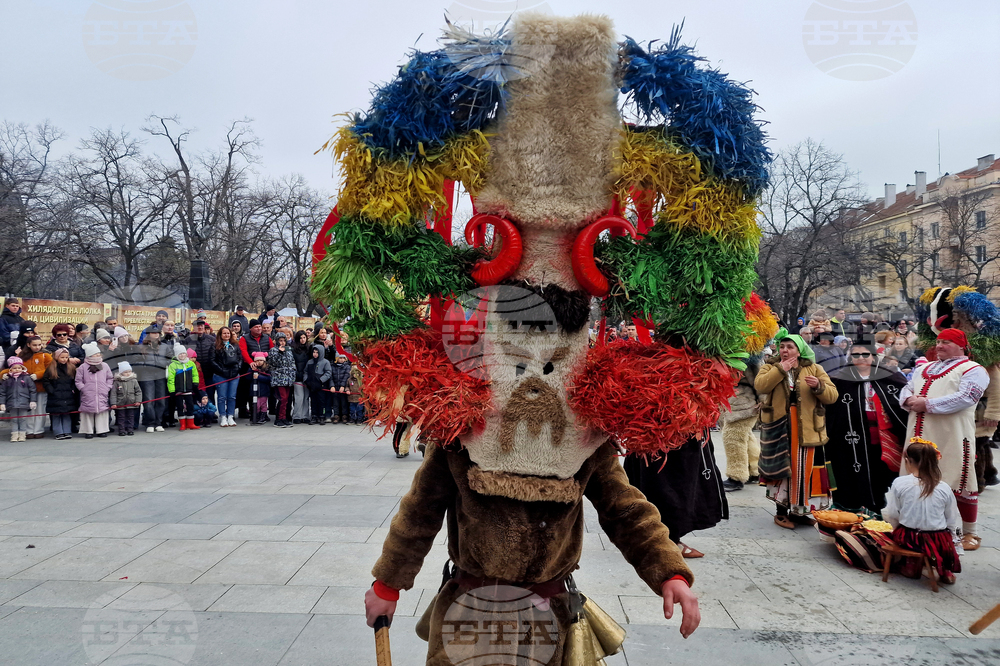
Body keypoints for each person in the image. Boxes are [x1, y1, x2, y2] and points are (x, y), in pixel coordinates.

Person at [899, 328, 988, 551]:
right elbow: (907, 387)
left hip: (952, 434)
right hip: (918, 432)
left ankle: (970, 533)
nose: (939, 346)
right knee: (915, 479)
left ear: (961, 346)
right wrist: (909, 400)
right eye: (939, 341)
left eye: (946, 342)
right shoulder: (925, 367)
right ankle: (915, 527)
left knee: (957, 477)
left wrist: (927, 404)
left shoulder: (974, 369)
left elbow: (967, 397)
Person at [755, 331, 839, 529]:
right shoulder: (770, 366)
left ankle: (800, 511)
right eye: (782, 346)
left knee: (805, 470)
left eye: (790, 347)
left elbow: (832, 395)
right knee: (782, 467)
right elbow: (761, 386)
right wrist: (780, 370)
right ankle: (781, 511)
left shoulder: (814, 368)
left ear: (799, 350)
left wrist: (819, 386)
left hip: (808, 428)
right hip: (780, 426)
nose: (785, 350)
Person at [826, 341, 909, 513]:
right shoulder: (839, 378)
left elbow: (901, 402)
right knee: (851, 471)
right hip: (850, 436)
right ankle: (851, 508)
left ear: (873, 356)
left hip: (881, 436)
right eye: (856, 355)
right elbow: (830, 407)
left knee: (878, 471)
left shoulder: (889, 376)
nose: (861, 358)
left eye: (865, 354)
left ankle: (875, 506)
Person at [624, 432, 729, 558]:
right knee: (664, 469)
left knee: (660, 463)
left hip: (678, 423)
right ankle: (665, 537)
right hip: (667, 424)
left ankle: (652, 532)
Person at [883, 438, 962, 584]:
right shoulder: (944, 487)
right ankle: (944, 569)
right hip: (938, 539)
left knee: (891, 533)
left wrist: (896, 528)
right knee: (943, 539)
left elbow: (893, 514)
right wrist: (952, 538)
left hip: (910, 537)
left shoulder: (900, 483)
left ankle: (911, 566)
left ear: (908, 461)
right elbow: (952, 518)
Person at [721, 362, 761, 492]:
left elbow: (760, 382)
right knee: (745, 436)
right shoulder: (739, 356)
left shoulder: (750, 359)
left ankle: (736, 477)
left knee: (733, 437)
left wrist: (764, 402)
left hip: (745, 404)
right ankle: (754, 470)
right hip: (735, 401)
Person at [76, 342, 113, 439]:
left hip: (102, 392)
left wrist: (107, 387)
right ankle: (88, 430)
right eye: (95, 354)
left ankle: (102, 430)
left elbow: (109, 378)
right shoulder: (83, 367)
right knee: (87, 411)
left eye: (98, 354)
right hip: (88, 393)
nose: (97, 355)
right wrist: (83, 388)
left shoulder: (104, 365)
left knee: (102, 411)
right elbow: (78, 380)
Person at [137, 326, 169, 433]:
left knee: (161, 400)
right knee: (149, 400)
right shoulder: (141, 347)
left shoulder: (164, 346)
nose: (156, 335)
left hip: (160, 374)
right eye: (153, 333)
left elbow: (170, 359)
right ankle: (150, 422)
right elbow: (136, 361)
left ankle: (158, 422)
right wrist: (146, 365)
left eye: (157, 333)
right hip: (147, 375)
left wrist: (163, 365)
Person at [239, 319, 273, 422]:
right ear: (251, 328)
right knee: (250, 390)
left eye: (259, 327)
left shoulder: (267, 338)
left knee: (265, 391)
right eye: (256, 327)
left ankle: (263, 412)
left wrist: (268, 364)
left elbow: (271, 350)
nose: (259, 329)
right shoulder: (244, 338)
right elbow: (243, 351)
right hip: (249, 366)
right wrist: (250, 362)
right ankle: (253, 412)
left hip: (265, 367)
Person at [19, 336, 52, 439]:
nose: (37, 347)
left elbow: (50, 369)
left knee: (40, 409)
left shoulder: (45, 356)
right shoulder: (21, 356)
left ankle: (38, 430)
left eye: (39, 344)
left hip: (40, 386)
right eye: (34, 345)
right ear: (28, 345)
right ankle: (28, 430)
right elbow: (14, 366)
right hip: (25, 387)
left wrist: (38, 375)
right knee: (29, 409)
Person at [42, 347, 77, 440]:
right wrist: (51, 390)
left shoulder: (71, 368)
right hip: (55, 395)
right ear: (57, 357)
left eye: (66, 357)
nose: (64, 359)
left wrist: (73, 389)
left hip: (68, 395)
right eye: (62, 357)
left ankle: (67, 431)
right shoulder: (51, 368)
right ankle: (58, 432)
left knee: (66, 414)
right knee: (56, 415)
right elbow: (45, 381)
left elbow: (74, 380)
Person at [0, 357, 37, 442]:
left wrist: (33, 401)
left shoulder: (26, 378)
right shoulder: (7, 379)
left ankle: (22, 434)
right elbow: (2, 392)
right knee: (14, 419)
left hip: (24, 402)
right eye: (15, 368)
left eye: (19, 368)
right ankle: (14, 434)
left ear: (22, 368)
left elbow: (32, 390)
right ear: (10, 369)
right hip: (11, 402)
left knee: (23, 419)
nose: (17, 370)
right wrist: (2, 403)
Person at [166, 344, 200, 431]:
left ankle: (190, 423)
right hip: (178, 391)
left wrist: (195, 383)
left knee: (190, 406)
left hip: (188, 390)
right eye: (180, 354)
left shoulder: (191, 364)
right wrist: (172, 390)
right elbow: (171, 379)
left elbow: (195, 374)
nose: (182, 355)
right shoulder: (173, 365)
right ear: (176, 355)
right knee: (180, 407)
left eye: (183, 353)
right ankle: (183, 424)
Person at [183, 319, 217, 405]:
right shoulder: (188, 340)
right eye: (197, 326)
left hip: (209, 371)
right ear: (193, 327)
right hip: (195, 372)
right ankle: (196, 413)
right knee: (195, 393)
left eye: (202, 325)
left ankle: (211, 412)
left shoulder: (212, 339)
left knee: (210, 393)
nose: (200, 327)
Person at [213, 326, 241, 427]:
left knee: (232, 396)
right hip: (221, 374)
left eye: (228, 333)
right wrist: (221, 370)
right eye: (224, 333)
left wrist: (237, 369)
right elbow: (212, 360)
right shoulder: (215, 346)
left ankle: (230, 416)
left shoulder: (235, 345)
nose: (226, 335)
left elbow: (240, 358)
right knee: (222, 397)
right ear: (220, 335)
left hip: (234, 374)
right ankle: (223, 416)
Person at [267, 331, 295, 428]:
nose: (282, 342)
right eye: (280, 340)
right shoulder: (273, 350)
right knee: (282, 398)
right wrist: (279, 352)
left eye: (284, 340)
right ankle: (279, 418)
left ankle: (284, 418)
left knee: (286, 399)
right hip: (278, 379)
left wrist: (293, 373)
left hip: (288, 378)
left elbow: (292, 363)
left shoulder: (289, 350)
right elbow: (272, 363)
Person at [110, 361, 140, 436]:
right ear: (121, 372)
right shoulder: (117, 382)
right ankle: (121, 430)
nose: (128, 373)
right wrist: (113, 403)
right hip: (120, 403)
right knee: (121, 417)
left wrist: (138, 401)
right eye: (126, 372)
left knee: (130, 417)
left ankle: (130, 429)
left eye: (129, 371)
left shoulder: (134, 381)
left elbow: (138, 391)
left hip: (131, 402)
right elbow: (113, 393)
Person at [304, 344, 331, 424]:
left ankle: (321, 416)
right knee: (313, 401)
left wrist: (321, 379)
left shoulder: (325, 362)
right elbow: (305, 371)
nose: (315, 354)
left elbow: (328, 372)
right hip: (312, 385)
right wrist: (306, 379)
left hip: (321, 385)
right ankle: (314, 415)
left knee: (321, 401)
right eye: (314, 352)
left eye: (317, 352)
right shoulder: (310, 362)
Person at [291, 331, 312, 425]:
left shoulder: (309, 348)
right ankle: (297, 416)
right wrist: (297, 373)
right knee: (299, 397)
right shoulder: (293, 349)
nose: (303, 340)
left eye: (304, 337)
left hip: (307, 376)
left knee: (306, 397)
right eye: (301, 338)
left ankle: (305, 415)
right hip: (297, 376)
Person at [250, 351, 271, 424]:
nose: (259, 362)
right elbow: (247, 378)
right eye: (257, 360)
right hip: (255, 391)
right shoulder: (252, 368)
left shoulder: (267, 369)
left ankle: (263, 416)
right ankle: (256, 416)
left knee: (263, 404)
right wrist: (251, 371)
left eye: (261, 360)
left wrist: (259, 377)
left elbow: (269, 379)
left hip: (264, 390)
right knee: (256, 404)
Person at [330, 354, 351, 423]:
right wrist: (332, 386)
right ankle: (336, 415)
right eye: (340, 358)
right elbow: (331, 377)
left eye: (343, 358)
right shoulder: (333, 366)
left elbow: (346, 376)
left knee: (344, 402)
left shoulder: (347, 366)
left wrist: (343, 386)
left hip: (343, 388)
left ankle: (344, 415)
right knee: (335, 403)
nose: (342, 359)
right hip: (335, 387)